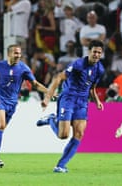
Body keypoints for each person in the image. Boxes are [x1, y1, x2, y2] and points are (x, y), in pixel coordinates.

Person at [0, 44, 48, 165]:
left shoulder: (23, 68)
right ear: (9, 54)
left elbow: (35, 84)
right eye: (15, 53)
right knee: (1, 125)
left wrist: (48, 92)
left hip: (12, 103)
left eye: (19, 53)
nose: (18, 55)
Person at [36, 40, 105, 173]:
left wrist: (97, 101)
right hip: (68, 98)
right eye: (94, 51)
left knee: (79, 134)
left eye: (99, 53)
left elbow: (92, 88)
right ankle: (51, 119)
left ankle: (60, 165)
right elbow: (58, 78)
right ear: (89, 51)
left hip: (82, 102)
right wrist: (48, 97)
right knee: (63, 135)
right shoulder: (79, 64)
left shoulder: (100, 69)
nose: (96, 55)